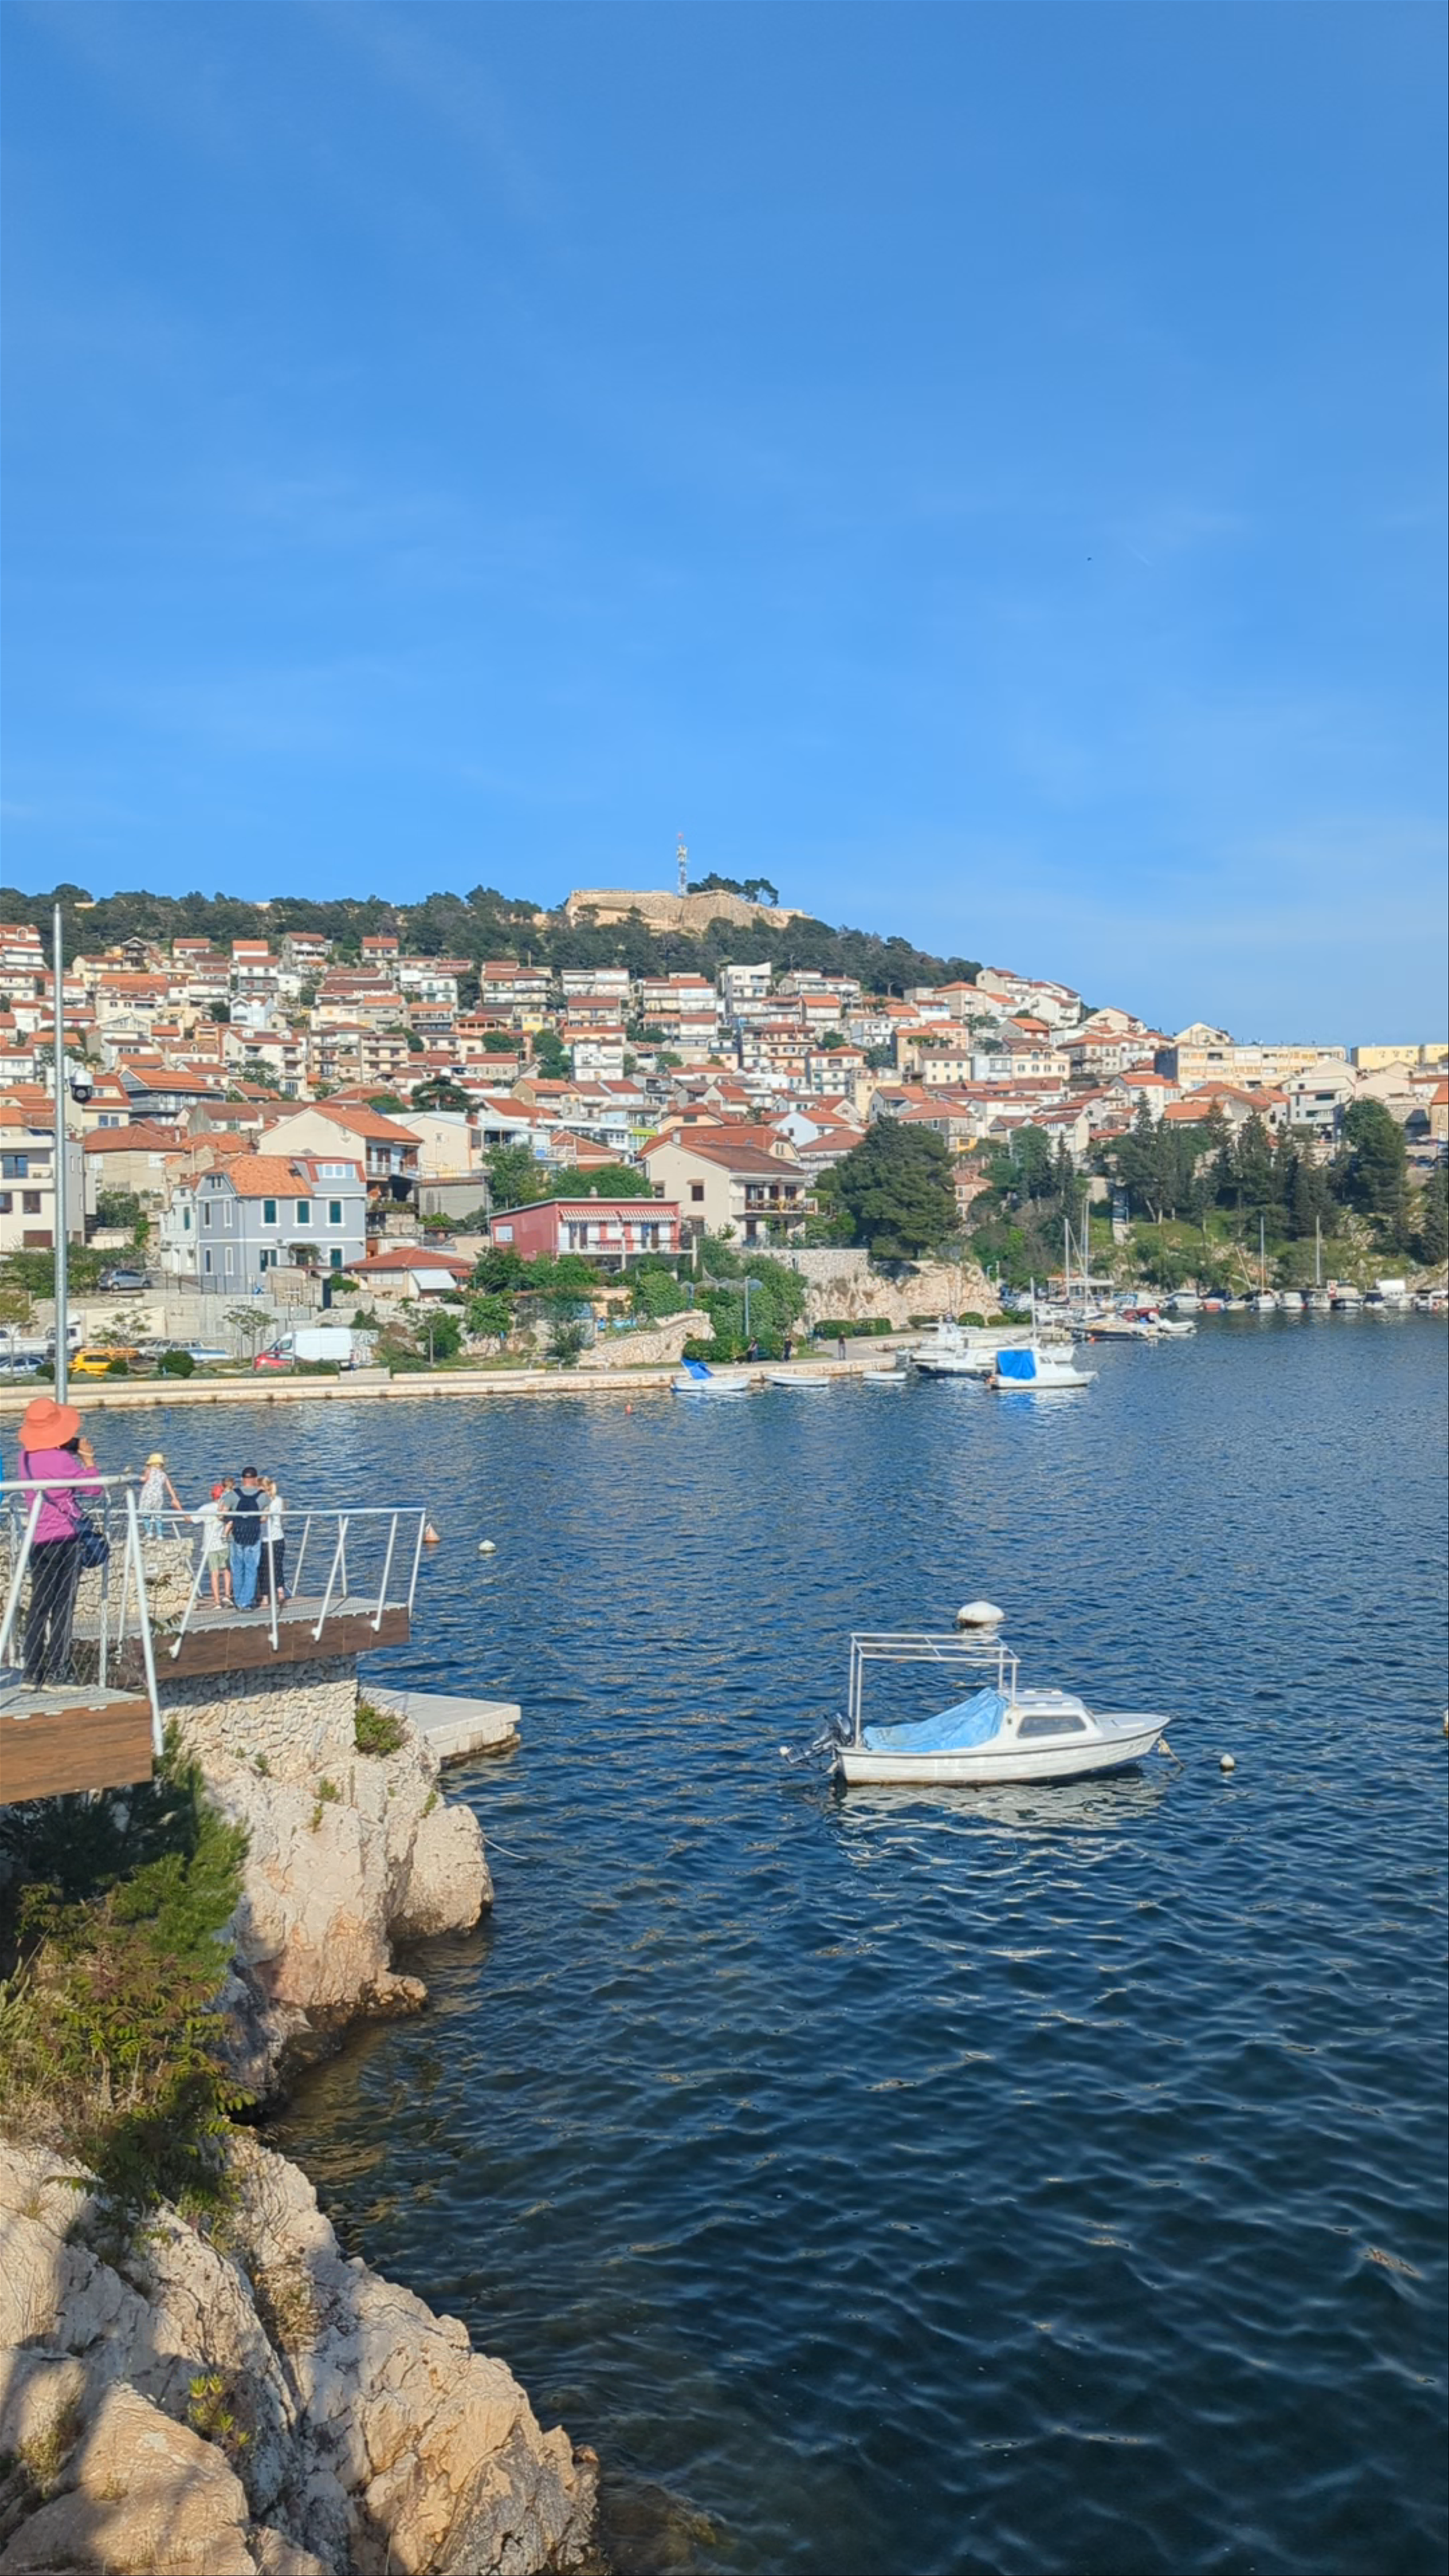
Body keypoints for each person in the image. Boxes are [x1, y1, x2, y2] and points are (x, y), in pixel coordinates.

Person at [15, 1396, 103, 1689]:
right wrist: (88, 1459)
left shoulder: (24, 1458)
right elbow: (93, 1489)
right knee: (63, 1605)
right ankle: (56, 1671)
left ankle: (31, 1670)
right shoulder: (62, 1461)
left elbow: (45, 1460)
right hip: (66, 1538)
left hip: (37, 1539)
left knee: (39, 1604)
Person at [226, 1468, 265, 1610]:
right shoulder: (263, 1496)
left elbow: (221, 1513)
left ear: (242, 1479)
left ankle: (238, 1600)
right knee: (251, 1568)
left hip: (237, 1535)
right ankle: (247, 1602)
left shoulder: (233, 1495)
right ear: (256, 1479)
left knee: (237, 1568)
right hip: (254, 1535)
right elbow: (265, 1518)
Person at [192, 1484, 231, 1609]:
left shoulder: (206, 1508)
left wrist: (180, 1511)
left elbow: (193, 1520)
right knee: (227, 1571)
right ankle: (227, 1595)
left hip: (211, 1546)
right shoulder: (226, 1509)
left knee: (214, 1573)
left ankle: (217, 1601)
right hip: (224, 1544)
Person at [138, 1450, 183, 1538]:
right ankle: (160, 1535)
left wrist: (137, 1478)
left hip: (148, 1496)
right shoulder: (164, 1475)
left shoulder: (149, 1471)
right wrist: (174, 1498)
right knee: (158, 1516)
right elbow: (170, 1489)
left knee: (145, 1514)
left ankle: (149, 1532)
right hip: (159, 1497)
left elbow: (145, 1479)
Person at [256, 1478, 286, 1607]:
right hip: (279, 1537)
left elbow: (263, 1518)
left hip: (266, 1539)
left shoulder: (267, 1501)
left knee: (263, 1568)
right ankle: (280, 1592)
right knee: (277, 1566)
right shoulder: (279, 1500)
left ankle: (265, 1596)